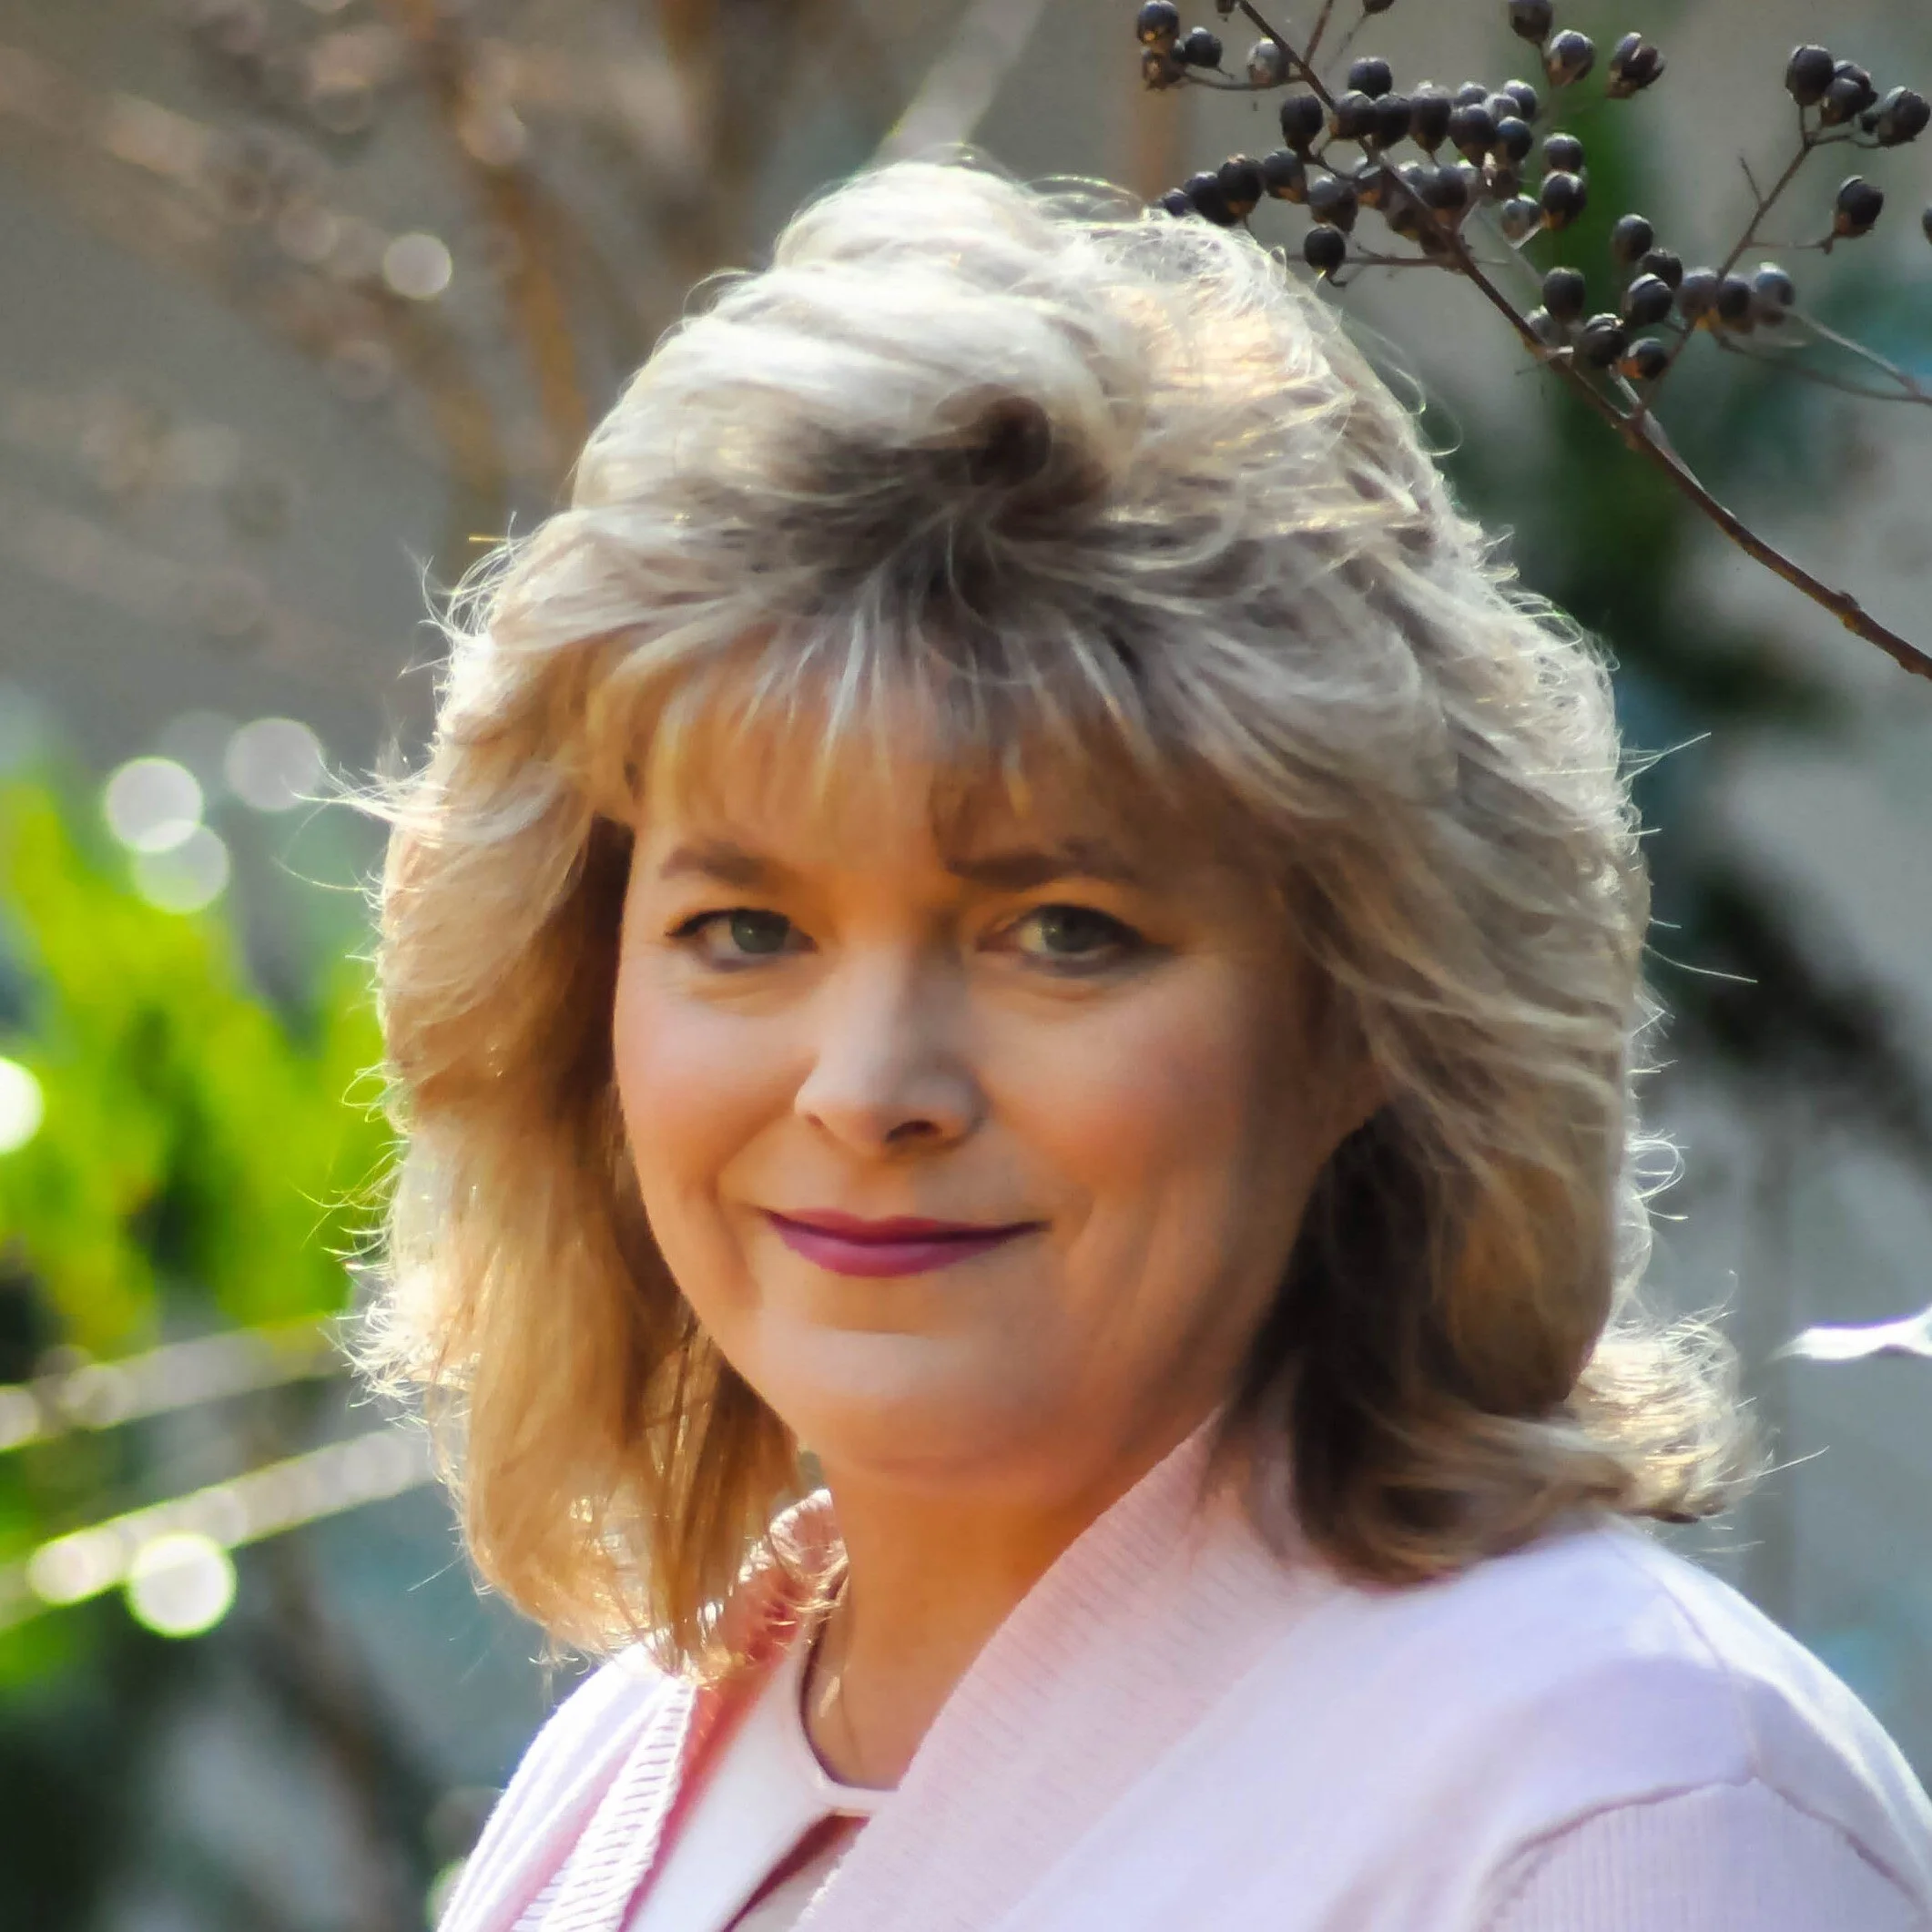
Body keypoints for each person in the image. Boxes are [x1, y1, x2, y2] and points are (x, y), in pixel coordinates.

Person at [366, 159, 1932, 1932]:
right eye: (746, 927)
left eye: (1059, 931)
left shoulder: (1614, 1805)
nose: (866, 1089)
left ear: (1361, 1012)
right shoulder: (622, 1770)